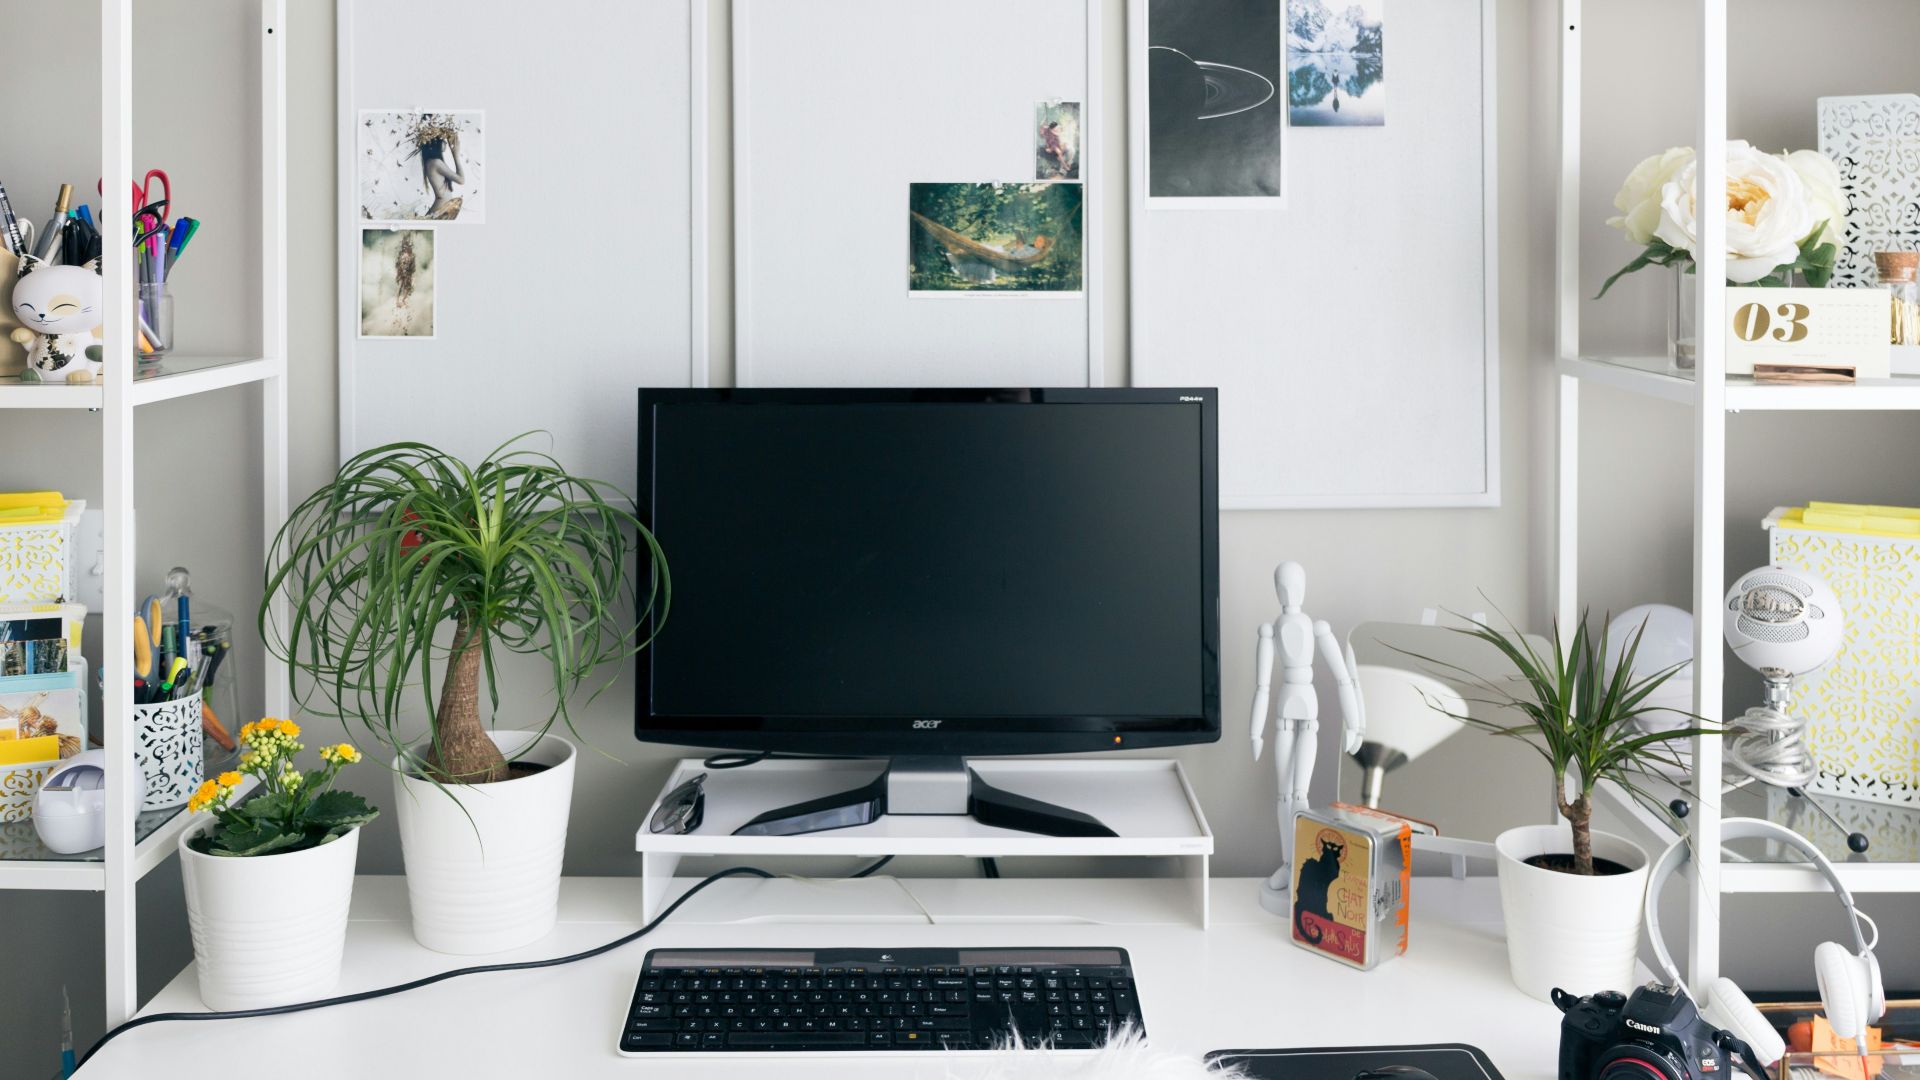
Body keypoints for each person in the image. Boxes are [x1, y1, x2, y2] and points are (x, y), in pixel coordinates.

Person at [418, 120, 468, 220]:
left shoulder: (432, 162)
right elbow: (461, 180)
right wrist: (455, 155)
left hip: (442, 210)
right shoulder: (435, 162)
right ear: (435, 143)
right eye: (443, 140)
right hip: (439, 211)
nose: (445, 143)